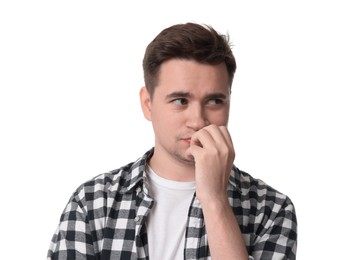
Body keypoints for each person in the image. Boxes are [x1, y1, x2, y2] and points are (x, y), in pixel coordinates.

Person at [47, 22, 297, 260]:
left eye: (214, 101)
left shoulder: (272, 209)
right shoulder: (92, 203)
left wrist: (215, 200)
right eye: (180, 101)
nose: (198, 121)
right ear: (148, 105)